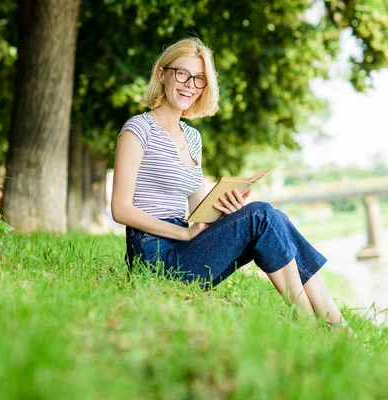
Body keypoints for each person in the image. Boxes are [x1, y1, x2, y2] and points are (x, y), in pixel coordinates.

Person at [111, 37, 349, 329]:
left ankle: (333, 321)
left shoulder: (192, 138)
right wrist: (184, 235)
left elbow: (198, 208)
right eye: (182, 74)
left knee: (273, 218)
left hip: (184, 249)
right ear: (162, 74)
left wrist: (227, 210)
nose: (189, 85)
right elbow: (120, 209)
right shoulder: (138, 129)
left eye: (199, 79)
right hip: (153, 257)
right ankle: (315, 325)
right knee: (261, 215)